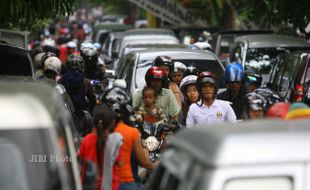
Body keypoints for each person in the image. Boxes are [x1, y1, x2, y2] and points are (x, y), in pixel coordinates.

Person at [102, 86, 156, 190]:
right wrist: (157, 166)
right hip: (127, 184)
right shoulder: (131, 132)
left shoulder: (97, 132)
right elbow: (144, 162)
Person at [78, 104, 123, 190]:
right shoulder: (115, 140)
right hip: (109, 186)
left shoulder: (87, 140)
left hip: (88, 185)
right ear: (112, 123)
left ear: (93, 122)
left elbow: (81, 159)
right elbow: (120, 163)